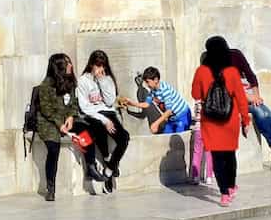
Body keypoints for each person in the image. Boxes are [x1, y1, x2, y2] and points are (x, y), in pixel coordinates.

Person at [191, 36, 251, 207]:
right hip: (229, 120)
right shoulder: (232, 72)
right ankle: (231, 187)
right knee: (230, 155)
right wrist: (245, 120)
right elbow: (240, 99)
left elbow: (195, 94)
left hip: (210, 121)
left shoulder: (201, 71)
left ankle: (224, 193)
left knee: (217, 157)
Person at [34, 53, 91, 202]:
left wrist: (71, 116)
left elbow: (73, 103)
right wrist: (60, 124)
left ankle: (90, 167)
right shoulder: (46, 86)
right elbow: (47, 110)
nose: (71, 66)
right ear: (59, 67)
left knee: (87, 129)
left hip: (66, 119)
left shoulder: (70, 82)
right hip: (48, 122)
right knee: (53, 147)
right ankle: (50, 187)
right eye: (67, 63)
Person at [228, 47, 271, 171]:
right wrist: (251, 99)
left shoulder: (236, 56)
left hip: (251, 100)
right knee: (259, 112)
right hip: (236, 104)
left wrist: (256, 96)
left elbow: (252, 78)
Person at [75, 49, 130, 192]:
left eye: (102, 66)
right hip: (94, 114)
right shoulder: (83, 80)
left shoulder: (107, 79)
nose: (99, 69)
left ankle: (109, 169)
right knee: (98, 127)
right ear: (91, 64)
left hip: (109, 112)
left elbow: (110, 101)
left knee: (124, 137)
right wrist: (104, 120)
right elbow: (85, 107)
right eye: (97, 65)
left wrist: (102, 81)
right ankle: (106, 157)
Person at [134, 66, 193, 134]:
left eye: (148, 82)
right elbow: (146, 104)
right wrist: (130, 103)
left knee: (178, 138)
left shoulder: (165, 90)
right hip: (172, 118)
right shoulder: (153, 91)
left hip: (182, 115)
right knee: (166, 136)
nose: (147, 85)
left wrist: (156, 123)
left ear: (155, 80)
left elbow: (169, 111)